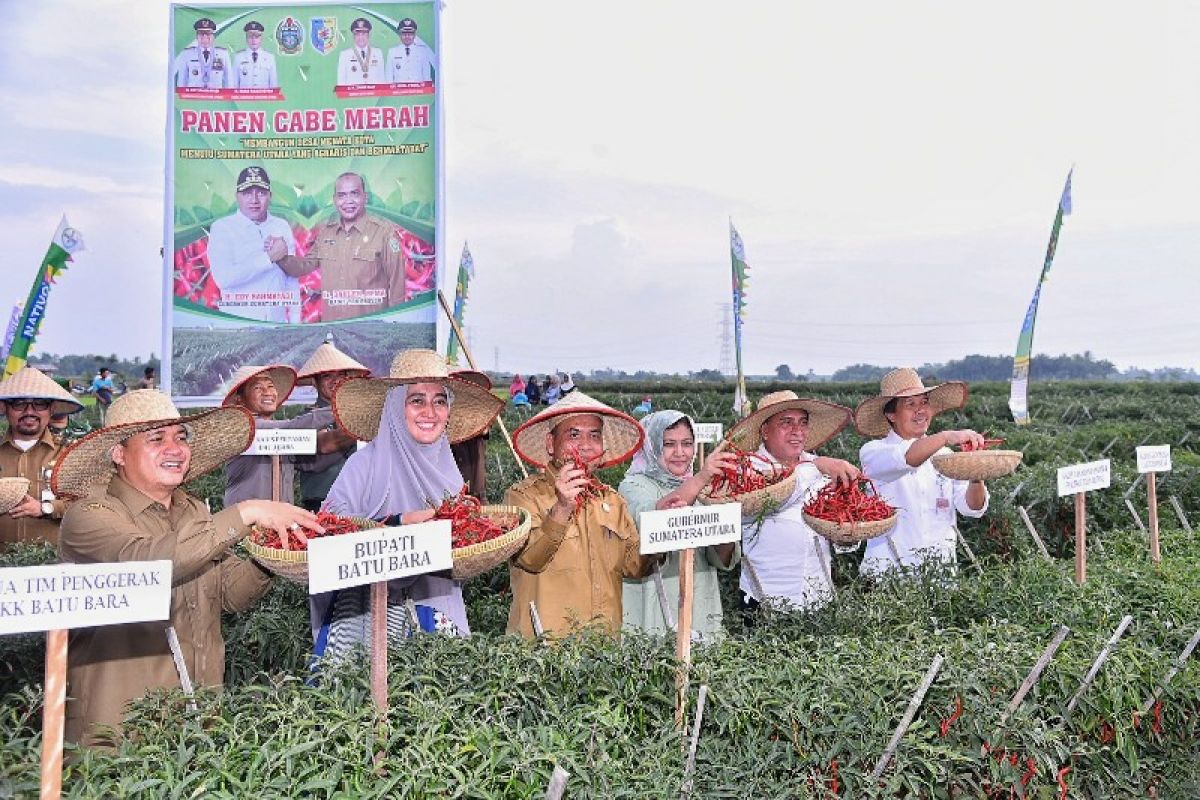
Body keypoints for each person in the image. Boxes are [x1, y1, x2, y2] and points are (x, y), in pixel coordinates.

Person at [52, 390, 320, 747]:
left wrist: (269, 555)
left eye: (181, 437)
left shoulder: (194, 511)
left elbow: (227, 593)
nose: (175, 448)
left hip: (197, 716)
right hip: (118, 729)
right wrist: (246, 512)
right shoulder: (89, 516)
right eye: (156, 439)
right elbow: (147, 563)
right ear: (119, 453)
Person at [311, 349, 503, 658]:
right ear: (394, 409)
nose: (430, 411)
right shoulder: (365, 465)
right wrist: (399, 523)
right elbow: (327, 534)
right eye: (417, 400)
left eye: (440, 401)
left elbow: (459, 553)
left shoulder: (449, 471)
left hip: (437, 611)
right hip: (368, 620)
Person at [505, 391, 654, 638]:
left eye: (594, 435)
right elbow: (529, 559)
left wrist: (662, 541)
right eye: (574, 434)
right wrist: (562, 508)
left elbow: (635, 567)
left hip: (602, 650)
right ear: (551, 444)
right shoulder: (523, 497)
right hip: (543, 652)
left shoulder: (612, 501)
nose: (585, 445)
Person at [730, 391, 858, 620]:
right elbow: (774, 500)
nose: (797, 430)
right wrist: (817, 465)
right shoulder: (748, 470)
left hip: (819, 596)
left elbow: (833, 531)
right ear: (765, 431)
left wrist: (845, 536)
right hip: (765, 601)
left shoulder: (817, 467)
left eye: (802, 423)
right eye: (786, 423)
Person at [854, 368, 989, 578]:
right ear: (891, 414)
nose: (920, 410)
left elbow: (972, 508)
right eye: (910, 404)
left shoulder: (946, 456)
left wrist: (975, 473)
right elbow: (906, 458)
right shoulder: (873, 452)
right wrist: (945, 436)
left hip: (941, 577)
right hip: (888, 577)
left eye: (924, 402)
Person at [619, 411, 740, 639]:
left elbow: (722, 560)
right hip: (654, 609)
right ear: (652, 446)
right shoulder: (633, 486)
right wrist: (702, 478)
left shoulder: (703, 490)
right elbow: (656, 522)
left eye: (687, 444)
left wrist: (726, 517)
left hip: (700, 606)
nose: (680, 453)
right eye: (668, 444)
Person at [288, 172, 408, 322]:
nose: (348, 201)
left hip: (370, 330)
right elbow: (303, 266)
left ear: (365, 197)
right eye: (342, 195)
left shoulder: (384, 233)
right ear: (334, 200)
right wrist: (280, 257)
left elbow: (397, 285)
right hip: (332, 329)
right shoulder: (326, 234)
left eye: (354, 194)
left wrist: (395, 325)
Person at [206, 166, 306, 323]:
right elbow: (224, 279)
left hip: (277, 324)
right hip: (238, 326)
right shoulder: (222, 228)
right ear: (237, 196)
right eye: (247, 193)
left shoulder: (281, 226)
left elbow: (291, 278)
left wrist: (295, 320)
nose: (254, 200)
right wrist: (268, 258)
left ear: (270, 196)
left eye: (261, 193)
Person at [0, 367, 83, 549]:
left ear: (52, 409)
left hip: (52, 567)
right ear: (5, 408)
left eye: (40, 404)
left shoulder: (69, 453)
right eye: (19, 404)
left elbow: (89, 504)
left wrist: (46, 508)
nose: (29, 412)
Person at [292, 342, 370, 512]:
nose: (335, 381)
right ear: (314, 381)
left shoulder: (358, 414)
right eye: (328, 376)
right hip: (321, 505)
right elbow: (326, 445)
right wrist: (366, 425)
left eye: (340, 375)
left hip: (362, 502)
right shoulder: (305, 419)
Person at [220, 364, 302, 506]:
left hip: (281, 520)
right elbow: (293, 426)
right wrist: (335, 411)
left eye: (270, 386)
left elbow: (317, 459)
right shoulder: (244, 427)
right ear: (240, 399)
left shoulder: (284, 434)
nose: (267, 392)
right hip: (246, 522)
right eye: (257, 388)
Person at [449, 370, 493, 498]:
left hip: (472, 459)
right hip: (455, 460)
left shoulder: (478, 411)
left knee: (475, 495)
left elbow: (485, 430)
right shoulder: (447, 409)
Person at [173, 17, 231, 89]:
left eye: (208, 33)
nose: (205, 36)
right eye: (201, 33)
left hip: (216, 98)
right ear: (196, 36)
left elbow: (229, 80)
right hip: (194, 98)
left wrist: (228, 97)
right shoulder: (187, 54)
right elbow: (182, 81)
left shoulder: (223, 54)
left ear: (213, 36)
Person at [385, 17, 435, 83]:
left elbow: (426, 77)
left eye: (410, 33)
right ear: (400, 35)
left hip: (418, 92)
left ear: (414, 35)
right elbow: (389, 78)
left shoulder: (422, 51)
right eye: (404, 33)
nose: (407, 36)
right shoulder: (392, 52)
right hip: (398, 91)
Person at [337, 18, 383, 85]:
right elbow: (341, 82)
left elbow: (382, 79)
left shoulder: (378, 53)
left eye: (364, 34)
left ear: (369, 35)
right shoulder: (345, 55)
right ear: (353, 36)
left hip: (373, 95)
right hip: (353, 94)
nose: (361, 37)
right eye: (357, 34)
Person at [233, 20, 277, 89]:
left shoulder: (270, 57)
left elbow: (273, 85)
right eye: (250, 37)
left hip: (263, 98)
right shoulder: (238, 57)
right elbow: (234, 85)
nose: (253, 40)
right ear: (246, 38)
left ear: (261, 38)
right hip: (244, 98)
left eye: (256, 37)